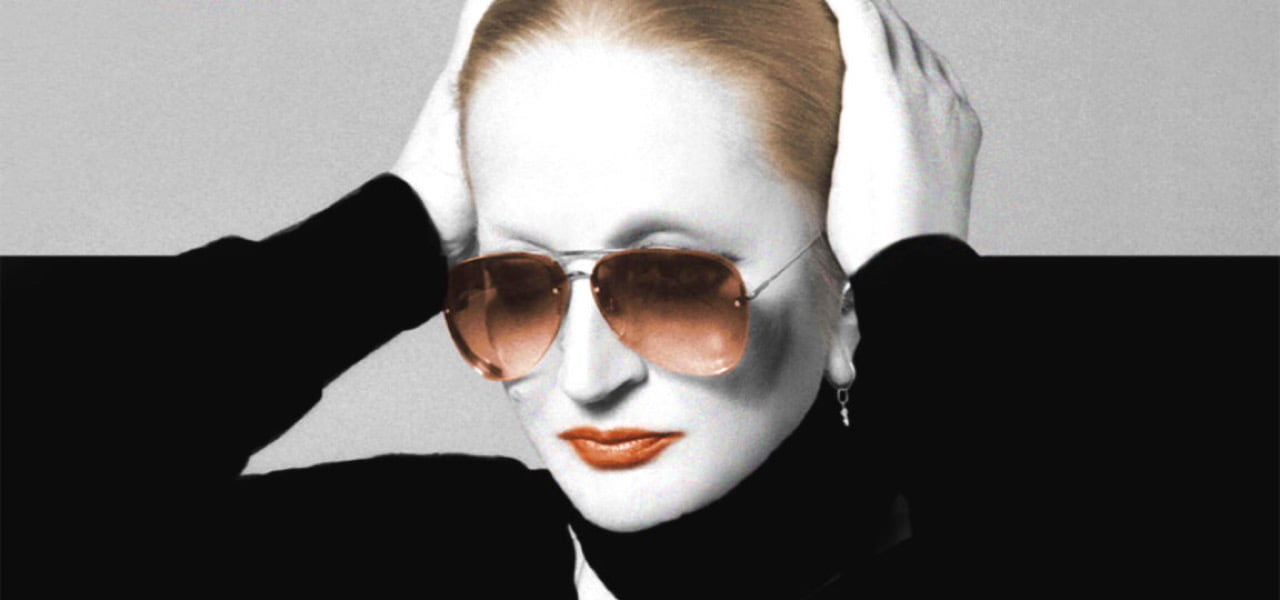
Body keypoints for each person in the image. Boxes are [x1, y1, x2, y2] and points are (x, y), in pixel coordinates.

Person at [1, 0, 1274, 598]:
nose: (583, 375)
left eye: (668, 282)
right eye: (512, 287)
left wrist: (920, 279)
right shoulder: (413, 555)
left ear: (847, 302)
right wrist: (394, 223)